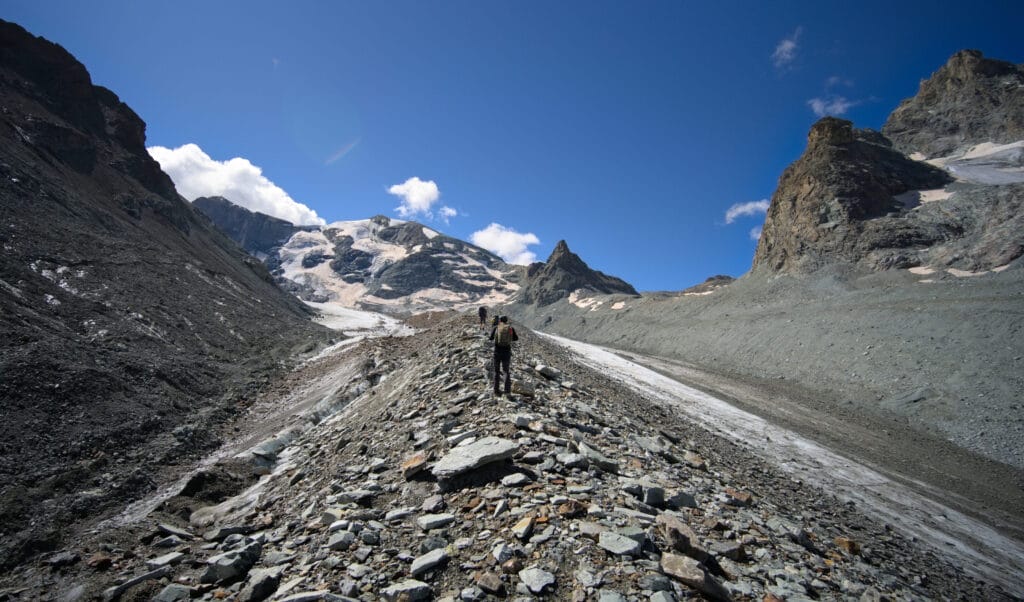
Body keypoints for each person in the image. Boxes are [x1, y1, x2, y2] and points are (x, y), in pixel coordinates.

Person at [489, 315, 519, 397]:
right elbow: (516, 338)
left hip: (497, 352)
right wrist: (508, 338)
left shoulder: (496, 327)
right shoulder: (510, 328)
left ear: (500, 320)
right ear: (506, 321)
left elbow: (490, 338)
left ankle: (496, 391)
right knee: (506, 371)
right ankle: (507, 391)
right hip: (506, 352)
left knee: (497, 371)